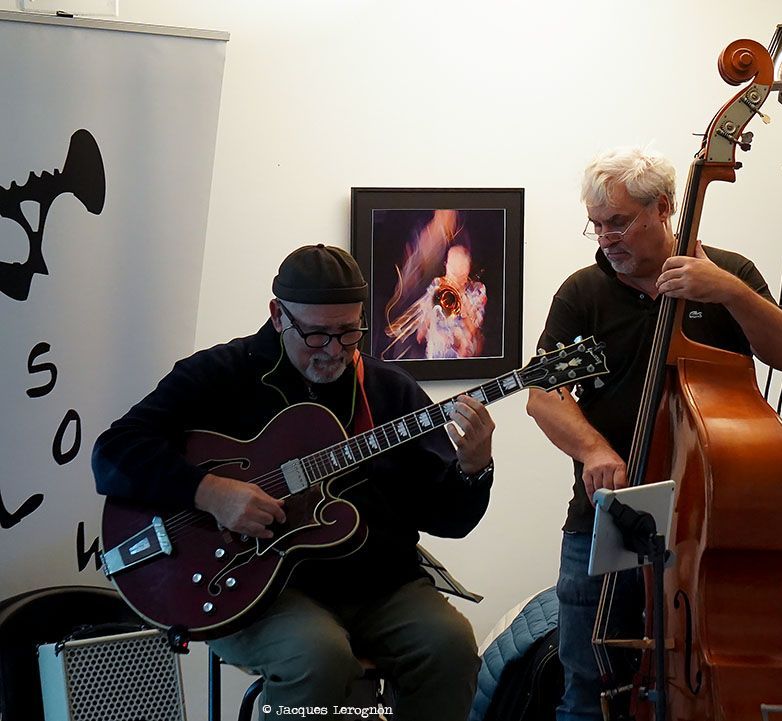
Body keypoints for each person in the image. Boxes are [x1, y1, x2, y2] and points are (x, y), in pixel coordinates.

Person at [92, 244, 495, 719]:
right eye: (317, 334)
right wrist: (210, 493)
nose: (334, 350)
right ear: (278, 315)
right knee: (317, 657)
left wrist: (473, 469)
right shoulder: (221, 374)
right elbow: (114, 452)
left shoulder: (388, 390)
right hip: (252, 588)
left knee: (450, 646)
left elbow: (449, 520)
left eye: (349, 332)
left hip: (378, 583)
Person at [525, 146, 782, 721]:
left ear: (663, 207)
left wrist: (728, 291)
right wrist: (593, 450)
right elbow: (542, 395)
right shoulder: (583, 292)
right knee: (585, 692)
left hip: (707, 524)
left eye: (619, 222)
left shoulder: (728, 274)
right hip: (610, 515)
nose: (606, 238)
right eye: (597, 225)